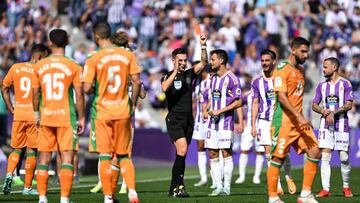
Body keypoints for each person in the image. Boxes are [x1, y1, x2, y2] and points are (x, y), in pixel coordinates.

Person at [83, 22, 141, 203]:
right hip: (123, 110)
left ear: (96, 36)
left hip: (102, 112)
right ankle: (132, 191)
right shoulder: (127, 55)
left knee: (105, 155)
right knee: (123, 154)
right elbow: (137, 82)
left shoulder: (94, 57)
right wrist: (133, 105)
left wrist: (95, 87)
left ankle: (108, 197)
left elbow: (86, 88)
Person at [32, 29, 85, 203]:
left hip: (46, 116)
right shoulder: (74, 65)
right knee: (67, 157)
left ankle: (42, 197)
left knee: (44, 158)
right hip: (66, 117)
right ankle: (64, 199)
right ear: (68, 41)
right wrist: (82, 117)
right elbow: (79, 94)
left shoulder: (39, 65)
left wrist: (37, 114)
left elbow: (35, 93)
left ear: (50, 43)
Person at [267, 37, 321, 203]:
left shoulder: (300, 71)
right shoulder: (282, 68)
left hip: (298, 121)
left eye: (307, 52)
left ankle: (305, 194)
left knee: (315, 151)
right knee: (278, 158)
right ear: (293, 50)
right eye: (303, 51)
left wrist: (301, 117)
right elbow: (282, 98)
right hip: (283, 120)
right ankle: (273, 198)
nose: (306, 55)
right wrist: (299, 116)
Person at [161, 34, 208, 197]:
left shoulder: (189, 74)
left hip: (189, 120)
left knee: (182, 153)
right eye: (179, 60)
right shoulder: (168, 76)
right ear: (173, 60)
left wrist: (203, 46)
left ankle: (175, 187)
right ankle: (177, 187)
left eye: (184, 60)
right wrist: (175, 71)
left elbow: (203, 63)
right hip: (175, 119)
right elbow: (164, 88)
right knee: (182, 149)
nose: (182, 63)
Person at [1, 44, 49, 195]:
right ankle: (27, 187)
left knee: (16, 149)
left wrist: (10, 108)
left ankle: (9, 174)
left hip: (19, 114)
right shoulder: (40, 71)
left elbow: (4, 87)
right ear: (39, 56)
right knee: (32, 151)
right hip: (33, 115)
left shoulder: (16, 67)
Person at [250, 50, 296, 194]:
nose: (264, 63)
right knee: (269, 154)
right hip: (264, 121)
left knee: (282, 152)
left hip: (279, 120)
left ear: (273, 61)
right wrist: (253, 124)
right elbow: (255, 103)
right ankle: (277, 185)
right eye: (262, 60)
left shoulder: (281, 78)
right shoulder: (257, 81)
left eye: (267, 60)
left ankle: (289, 177)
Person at [312, 57, 354, 198]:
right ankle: (325, 189)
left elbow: (349, 104)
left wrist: (333, 112)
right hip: (325, 126)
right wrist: (322, 111)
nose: (323, 69)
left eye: (325, 67)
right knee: (325, 156)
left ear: (334, 67)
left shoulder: (345, 83)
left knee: (343, 157)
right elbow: (314, 105)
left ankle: (346, 187)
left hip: (341, 124)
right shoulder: (321, 86)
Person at [205, 49, 243, 196]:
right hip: (212, 123)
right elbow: (213, 97)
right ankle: (218, 186)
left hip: (225, 122)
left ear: (221, 61)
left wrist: (220, 111)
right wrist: (207, 107)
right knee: (213, 153)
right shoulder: (213, 78)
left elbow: (239, 102)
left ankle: (227, 187)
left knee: (226, 153)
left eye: (213, 59)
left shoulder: (232, 79)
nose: (211, 62)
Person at [236, 88, 265, 185]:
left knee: (260, 152)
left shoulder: (266, 94)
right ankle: (241, 176)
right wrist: (241, 120)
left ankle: (257, 176)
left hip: (262, 126)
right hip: (249, 126)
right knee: (244, 150)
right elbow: (238, 103)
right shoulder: (248, 95)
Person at [192, 63, 211, 187]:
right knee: (200, 147)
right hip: (199, 120)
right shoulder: (196, 83)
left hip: (210, 119)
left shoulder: (211, 80)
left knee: (214, 148)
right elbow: (195, 101)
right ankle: (203, 178)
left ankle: (217, 178)